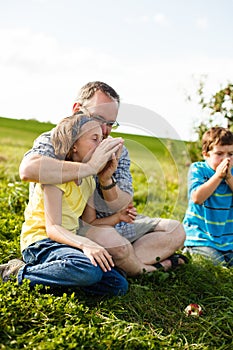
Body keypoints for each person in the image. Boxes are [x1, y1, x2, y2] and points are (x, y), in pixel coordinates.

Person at [18, 81, 187, 274]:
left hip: (109, 223)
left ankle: (119, 264)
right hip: (75, 229)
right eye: (98, 119)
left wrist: (106, 180)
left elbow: (123, 203)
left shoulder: (117, 151)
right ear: (76, 110)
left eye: (110, 124)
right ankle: (140, 266)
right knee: (118, 247)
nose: (105, 131)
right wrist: (90, 167)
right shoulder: (56, 139)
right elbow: (28, 170)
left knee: (175, 230)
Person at [0, 114, 128, 296]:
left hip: (67, 246)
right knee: (88, 270)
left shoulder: (89, 180)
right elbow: (52, 228)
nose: (101, 146)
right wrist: (86, 245)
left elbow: (88, 222)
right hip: (41, 243)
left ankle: (55, 276)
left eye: (102, 139)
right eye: (95, 139)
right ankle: (15, 272)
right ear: (74, 144)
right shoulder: (57, 175)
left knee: (117, 284)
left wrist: (116, 215)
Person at [183, 126, 233, 267]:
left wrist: (228, 177)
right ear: (206, 154)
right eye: (219, 154)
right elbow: (197, 198)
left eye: (231, 154)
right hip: (201, 237)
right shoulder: (198, 169)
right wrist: (218, 176)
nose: (226, 159)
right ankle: (189, 250)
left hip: (228, 240)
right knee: (216, 264)